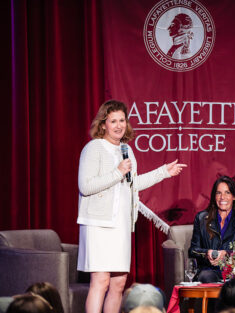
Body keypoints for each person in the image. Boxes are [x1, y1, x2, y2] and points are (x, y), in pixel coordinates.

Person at [77, 100, 187, 313]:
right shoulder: (93, 148)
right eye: (113, 121)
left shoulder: (126, 149)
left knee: (118, 283)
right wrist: (117, 172)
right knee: (101, 280)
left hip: (120, 224)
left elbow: (133, 185)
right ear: (103, 125)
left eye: (122, 120)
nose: (118, 125)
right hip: (98, 224)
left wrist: (164, 172)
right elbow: (85, 186)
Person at [189, 176, 235, 283]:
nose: (222, 197)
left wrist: (227, 254)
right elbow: (192, 250)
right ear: (214, 196)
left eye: (227, 193)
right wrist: (207, 253)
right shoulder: (201, 218)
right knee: (206, 277)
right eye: (218, 193)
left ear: (234, 196)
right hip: (209, 270)